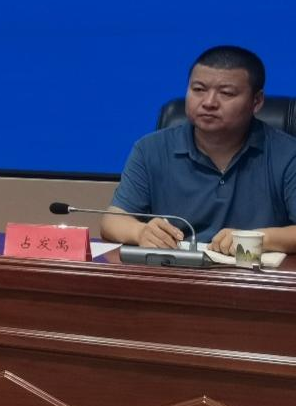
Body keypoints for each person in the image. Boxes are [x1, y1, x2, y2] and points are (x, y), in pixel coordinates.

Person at [101, 45, 296, 254]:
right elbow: (112, 221)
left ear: (256, 101)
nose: (209, 102)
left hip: (250, 270)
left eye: (226, 93)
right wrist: (141, 232)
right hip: (174, 269)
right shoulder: (150, 149)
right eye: (198, 90)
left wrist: (258, 239)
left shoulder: (287, 154)